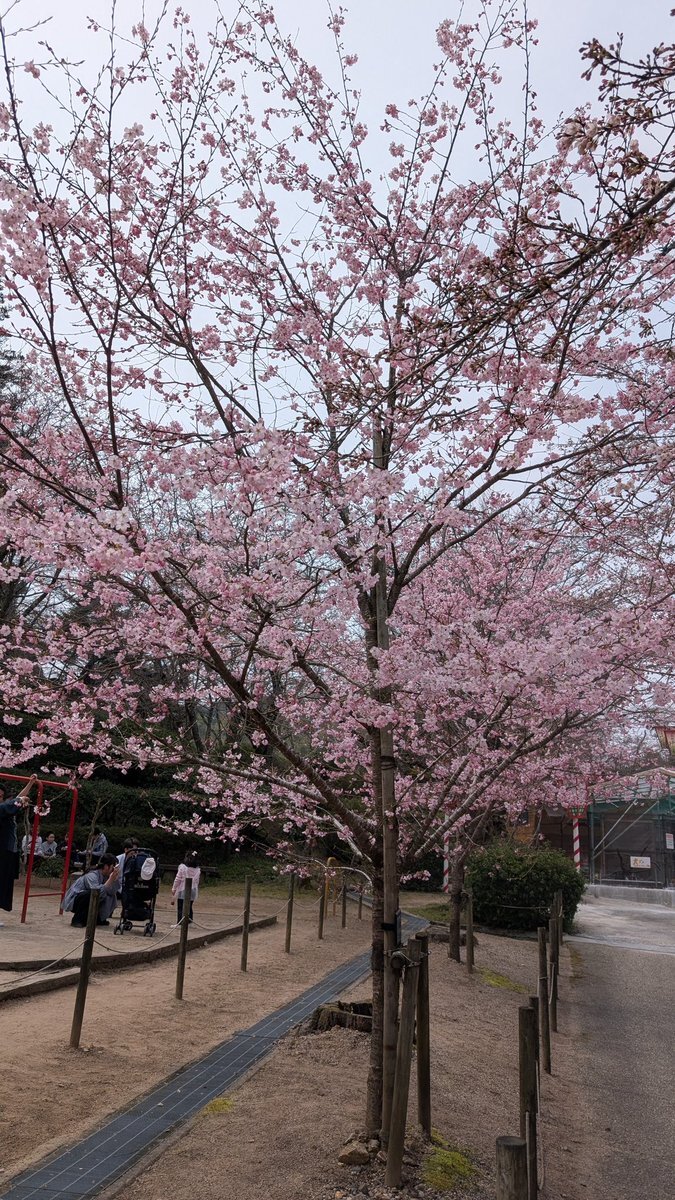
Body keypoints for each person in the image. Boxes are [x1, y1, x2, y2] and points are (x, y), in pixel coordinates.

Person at [0, 775, 38, 924]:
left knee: (4, 884)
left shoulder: (5, 806)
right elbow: (14, 802)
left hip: (7, 851)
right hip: (2, 850)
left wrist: (31, 783)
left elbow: (17, 799)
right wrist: (21, 800)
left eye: (1, 796)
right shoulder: (3, 808)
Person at [62, 853, 120, 927]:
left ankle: (98, 918)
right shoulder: (92, 875)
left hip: (90, 899)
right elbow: (97, 893)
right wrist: (110, 880)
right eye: (113, 867)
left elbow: (112, 891)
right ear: (106, 866)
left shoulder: (106, 876)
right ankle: (77, 920)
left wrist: (114, 880)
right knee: (89, 894)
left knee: (110, 894)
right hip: (75, 900)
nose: (113, 870)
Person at [170, 851, 200, 924]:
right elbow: (197, 881)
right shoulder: (198, 870)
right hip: (193, 890)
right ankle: (189, 921)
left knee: (181, 906)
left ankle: (180, 922)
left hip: (182, 890)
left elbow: (177, 879)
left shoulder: (182, 867)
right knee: (189, 906)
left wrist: (174, 888)